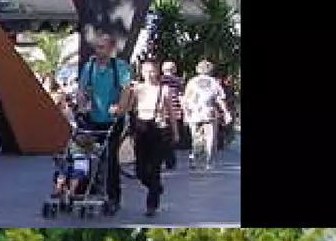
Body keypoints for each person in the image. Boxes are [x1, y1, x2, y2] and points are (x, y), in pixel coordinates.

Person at [76, 35, 134, 213]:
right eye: (97, 47)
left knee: (110, 157)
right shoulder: (90, 66)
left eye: (102, 47)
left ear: (110, 49)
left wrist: (120, 108)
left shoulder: (120, 67)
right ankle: (85, 189)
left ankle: (113, 196)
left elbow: (126, 90)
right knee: (87, 154)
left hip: (113, 119)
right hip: (94, 118)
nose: (98, 51)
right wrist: (81, 106)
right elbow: (82, 89)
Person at [126, 58, 172, 216]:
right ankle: (156, 187)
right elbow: (130, 108)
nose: (149, 74)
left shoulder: (164, 90)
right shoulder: (137, 89)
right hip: (141, 128)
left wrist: (176, 132)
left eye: (152, 71)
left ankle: (151, 205)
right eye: (146, 71)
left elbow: (171, 113)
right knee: (140, 170)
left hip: (159, 130)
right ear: (141, 72)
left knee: (155, 167)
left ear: (157, 72)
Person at [182, 60, 232, 170]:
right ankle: (209, 162)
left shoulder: (192, 82)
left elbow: (186, 100)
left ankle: (194, 159)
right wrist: (226, 113)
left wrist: (186, 114)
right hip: (210, 113)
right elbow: (219, 99)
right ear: (211, 70)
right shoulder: (214, 82)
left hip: (194, 113)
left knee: (195, 137)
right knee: (210, 138)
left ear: (197, 69)